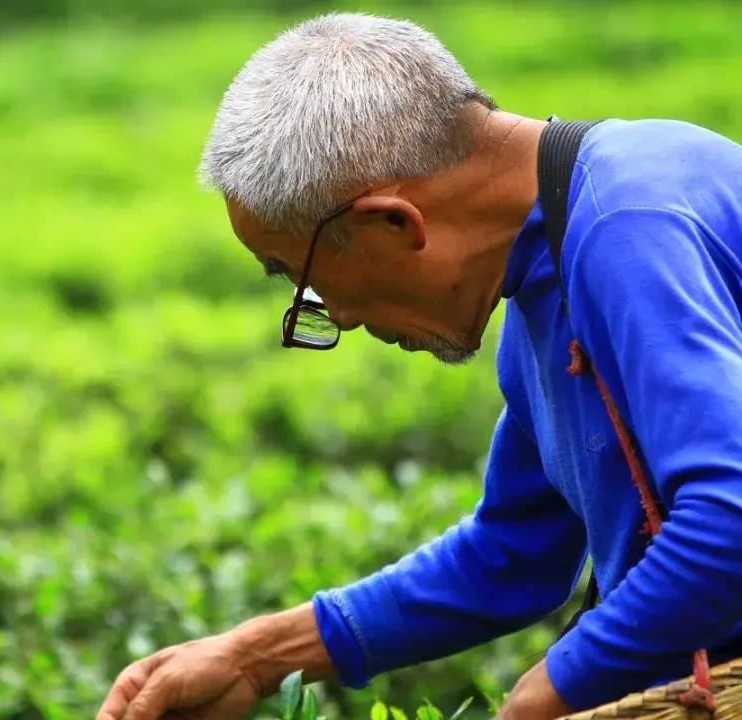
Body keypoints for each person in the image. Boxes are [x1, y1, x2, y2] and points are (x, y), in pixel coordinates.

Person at [95, 12, 742, 720]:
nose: (334, 315)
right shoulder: (547, 279)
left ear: (393, 222)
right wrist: (252, 657)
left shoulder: (627, 226)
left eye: (300, 275)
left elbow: (729, 521)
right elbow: (512, 555)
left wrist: (546, 693)